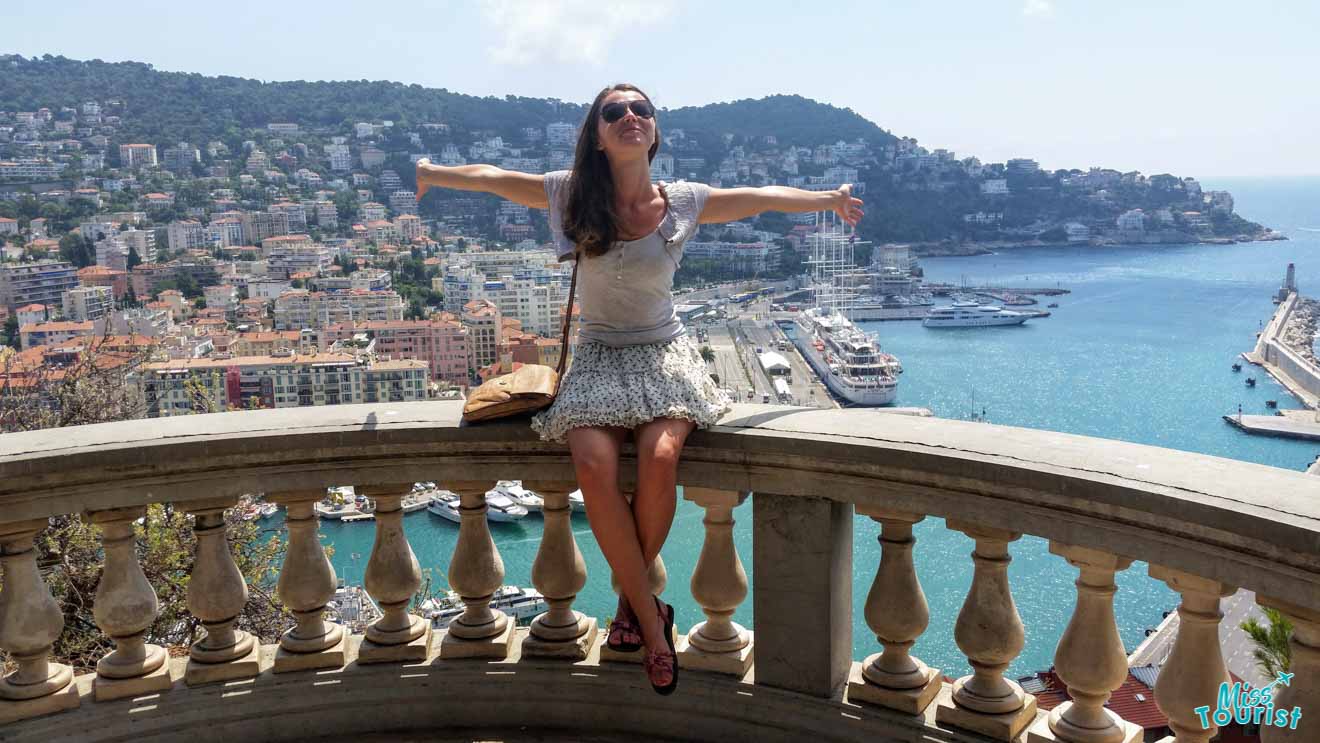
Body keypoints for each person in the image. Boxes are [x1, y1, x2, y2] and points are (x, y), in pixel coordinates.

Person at [416, 83, 863, 695]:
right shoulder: (569, 194)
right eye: (614, 111)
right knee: (594, 464)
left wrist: (827, 198)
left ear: (654, 131)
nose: (630, 116)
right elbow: (494, 177)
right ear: (597, 134)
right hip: (599, 356)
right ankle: (653, 619)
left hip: (665, 353)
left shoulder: (681, 201)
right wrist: (432, 171)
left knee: (660, 456)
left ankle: (635, 612)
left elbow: (759, 199)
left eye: (641, 110)